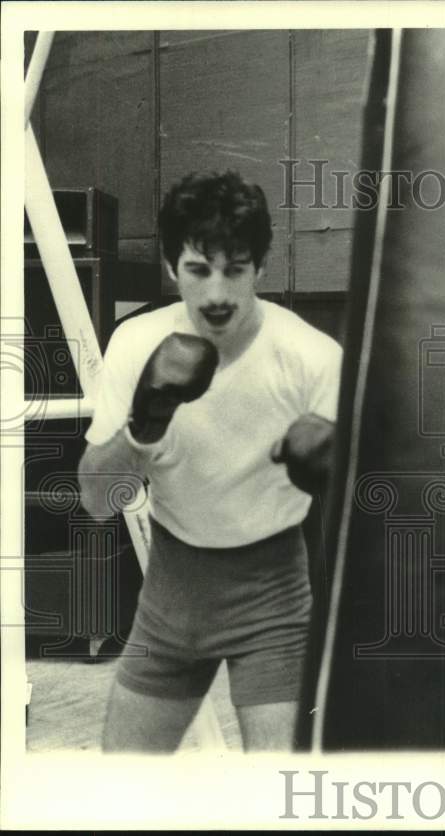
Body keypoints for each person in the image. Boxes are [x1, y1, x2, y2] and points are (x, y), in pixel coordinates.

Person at [77, 171, 343, 752]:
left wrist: (341, 474)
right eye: (199, 270)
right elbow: (97, 503)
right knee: (118, 791)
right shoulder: (136, 343)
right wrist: (142, 430)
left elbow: (379, 509)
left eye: (236, 269)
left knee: (281, 802)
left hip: (273, 594)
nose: (218, 294)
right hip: (172, 591)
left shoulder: (312, 358)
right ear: (172, 268)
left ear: (260, 269)